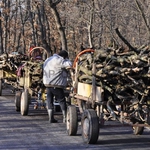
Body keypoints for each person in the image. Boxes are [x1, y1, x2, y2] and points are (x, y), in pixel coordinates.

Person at [43, 50, 72, 123]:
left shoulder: (48, 59)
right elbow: (69, 65)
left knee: (49, 101)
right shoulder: (60, 60)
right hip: (57, 84)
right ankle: (65, 118)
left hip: (47, 84)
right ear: (64, 56)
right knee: (62, 101)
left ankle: (51, 117)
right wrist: (67, 59)